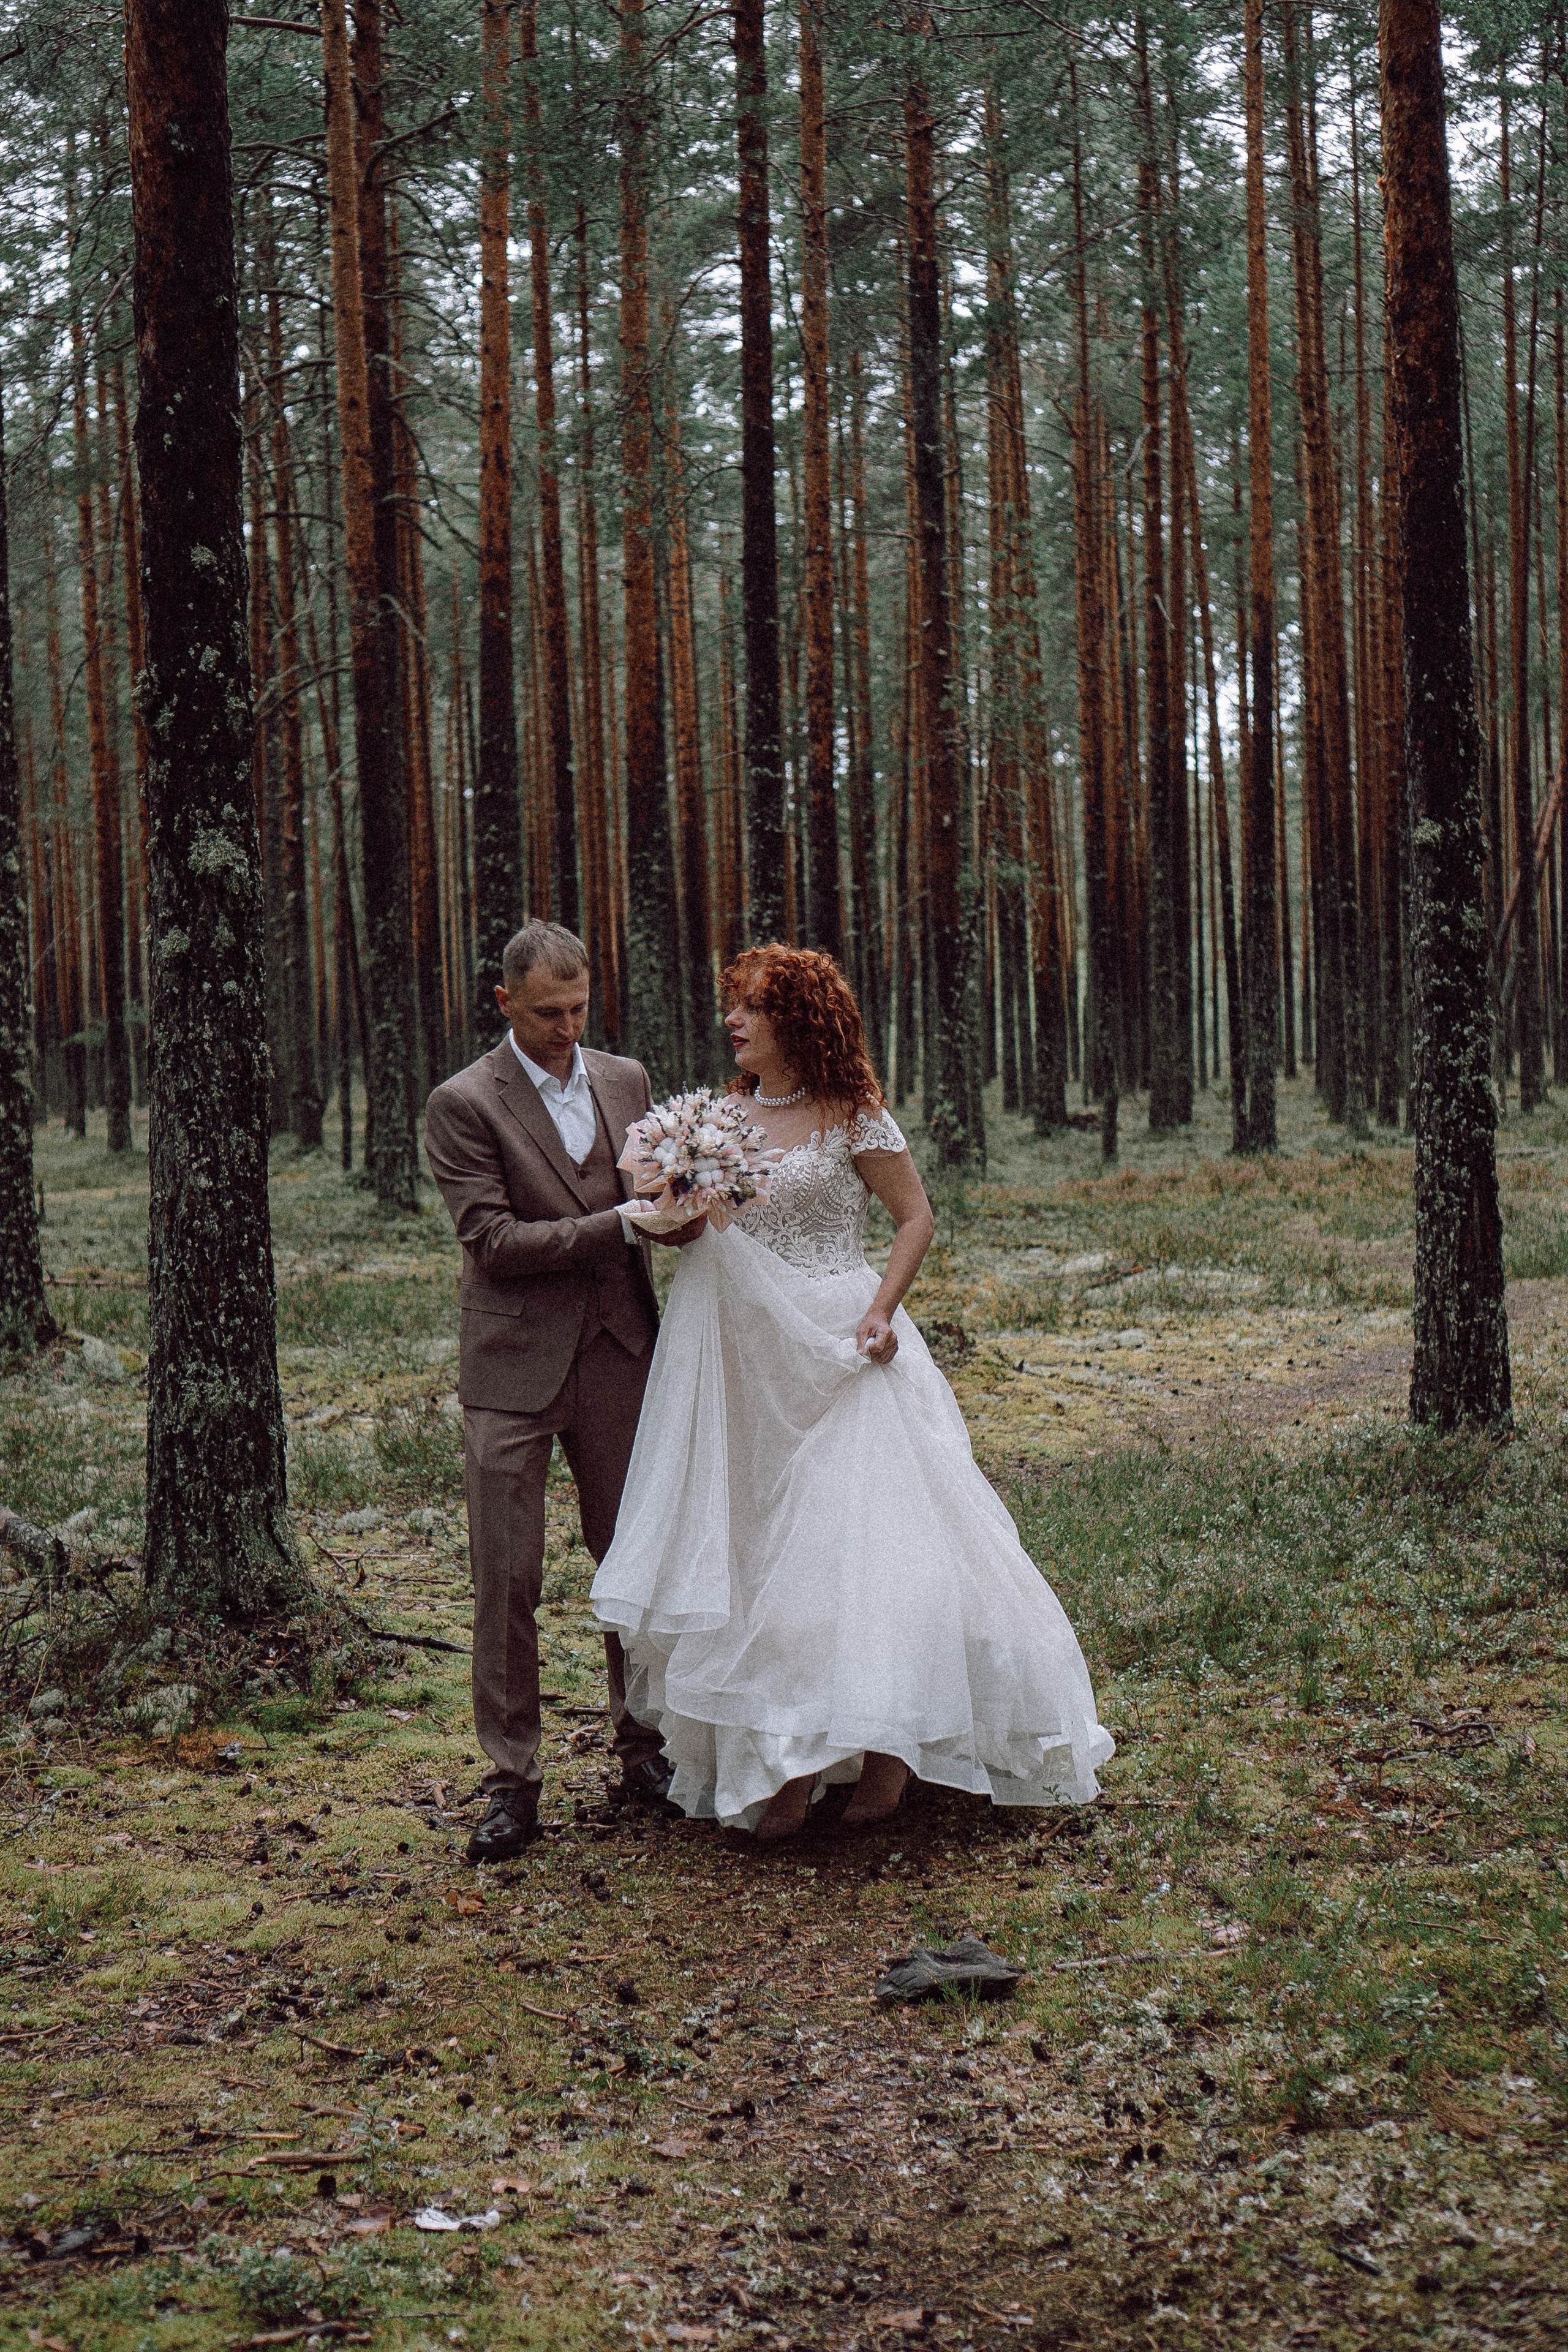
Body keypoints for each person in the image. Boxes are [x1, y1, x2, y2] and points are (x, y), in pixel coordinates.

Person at [591, 944, 1114, 1841]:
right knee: (755, 1553)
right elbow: (688, 1235)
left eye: (753, 1007)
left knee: (848, 1555)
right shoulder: (717, 1116)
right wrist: (671, 1207)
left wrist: (882, 1310)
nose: (735, 1022)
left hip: (842, 1348)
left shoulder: (852, 1114)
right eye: (734, 1006)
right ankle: (781, 1761)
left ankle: (885, 1756)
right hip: (743, 1354)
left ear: (800, 1020)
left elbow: (916, 1216)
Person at [424, 920, 701, 1862]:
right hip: (510, 1369)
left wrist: (686, 1216)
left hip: (622, 1353)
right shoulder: (462, 1103)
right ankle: (512, 1783)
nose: (567, 1028)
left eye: (580, 1007)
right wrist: (620, 1224)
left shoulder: (627, 1081)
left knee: (632, 1559)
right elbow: (493, 1243)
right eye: (548, 1013)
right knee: (507, 1578)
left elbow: (662, 1199)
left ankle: (646, 1747)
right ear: (504, 1003)